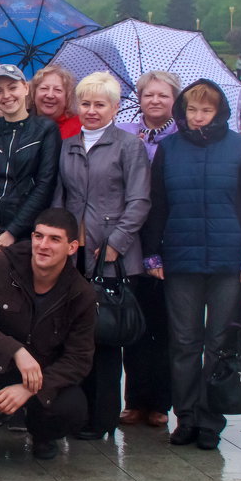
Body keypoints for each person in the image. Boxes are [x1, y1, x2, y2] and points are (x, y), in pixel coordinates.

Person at [141, 80, 241, 450]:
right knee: (183, 342)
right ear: (182, 113)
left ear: (219, 112)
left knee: (218, 343)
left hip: (229, 262)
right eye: (192, 110)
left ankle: (211, 419)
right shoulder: (169, 148)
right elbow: (158, 205)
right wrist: (152, 253)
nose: (198, 117)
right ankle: (187, 416)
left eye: (206, 110)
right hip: (181, 260)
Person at [0, 209, 94, 471]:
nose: (43, 245)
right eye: (38, 236)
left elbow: (79, 360)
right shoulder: (0, 265)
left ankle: (43, 436)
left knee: (74, 408)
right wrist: (15, 350)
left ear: (72, 247)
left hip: (41, 377)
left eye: (54, 239)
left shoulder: (80, 293)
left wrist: (30, 388)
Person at [54, 71, 151, 439]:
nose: (91, 110)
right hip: (76, 254)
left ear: (114, 108)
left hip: (113, 256)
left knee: (106, 337)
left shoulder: (129, 146)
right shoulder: (68, 145)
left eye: (100, 104)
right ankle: (78, 411)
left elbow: (140, 199)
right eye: (85, 103)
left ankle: (104, 416)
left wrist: (116, 242)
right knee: (77, 338)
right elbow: (61, 195)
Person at [0, 63, 60, 321]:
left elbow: (44, 185)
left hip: (21, 239)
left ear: (26, 88)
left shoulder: (45, 130)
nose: (6, 96)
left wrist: (13, 232)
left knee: (15, 314)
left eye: (12, 87)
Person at [115, 70, 182, 429]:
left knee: (165, 326)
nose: (155, 101)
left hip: (167, 243)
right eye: (148, 95)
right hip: (129, 242)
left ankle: (160, 402)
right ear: (138, 98)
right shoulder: (124, 132)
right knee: (133, 324)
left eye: (163, 95)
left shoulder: (181, 136)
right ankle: (135, 400)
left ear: (175, 100)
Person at [31, 64, 81, 138]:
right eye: (44, 88)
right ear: (34, 93)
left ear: (67, 97)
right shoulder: (22, 124)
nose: (50, 95)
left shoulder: (80, 128)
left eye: (58, 90)